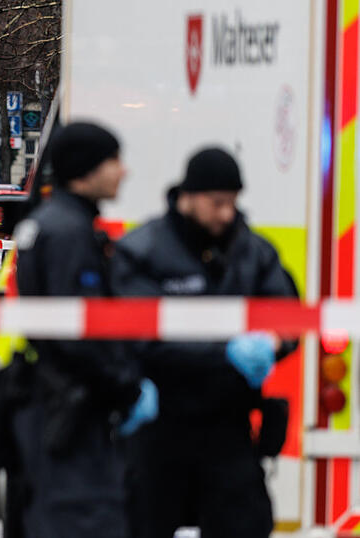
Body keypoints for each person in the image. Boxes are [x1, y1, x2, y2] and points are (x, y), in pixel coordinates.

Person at [112, 147, 299, 538]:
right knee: (141, 524)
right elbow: (138, 335)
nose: (226, 214)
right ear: (189, 196)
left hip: (227, 426)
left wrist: (274, 343)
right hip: (160, 427)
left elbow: (289, 316)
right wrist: (224, 353)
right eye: (217, 203)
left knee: (246, 525)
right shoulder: (144, 250)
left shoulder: (252, 252)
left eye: (232, 203)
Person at [10, 122, 156, 537]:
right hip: (74, 415)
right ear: (85, 169)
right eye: (113, 161)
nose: (123, 171)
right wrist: (126, 387)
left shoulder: (50, 223)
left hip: (55, 406)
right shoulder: (70, 233)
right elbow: (81, 331)